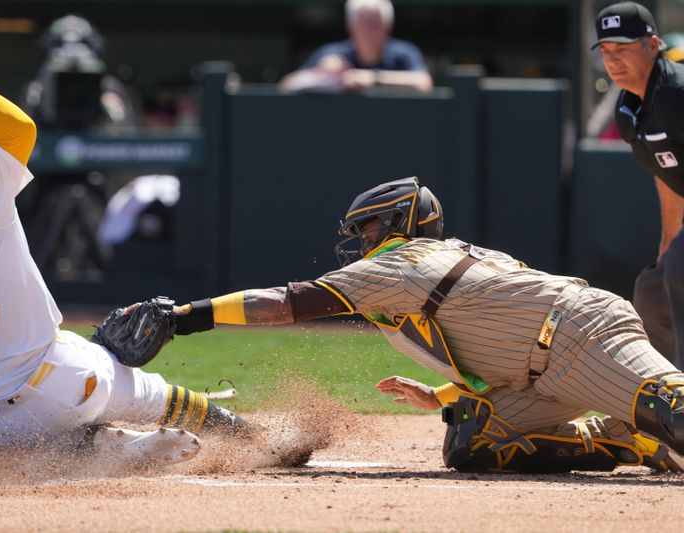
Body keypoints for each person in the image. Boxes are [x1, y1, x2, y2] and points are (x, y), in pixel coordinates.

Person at [164, 176, 684, 473]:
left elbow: (287, 301)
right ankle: (628, 439)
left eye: (369, 227)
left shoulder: (403, 260)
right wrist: (439, 396)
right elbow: (498, 342)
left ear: (399, 225)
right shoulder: (418, 276)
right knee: (473, 442)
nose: (363, 240)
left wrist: (187, 317)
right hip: (544, 370)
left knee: (676, 412)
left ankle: (656, 423)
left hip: (584, 334)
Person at [0, 55, 251, 464]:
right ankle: (256, 438)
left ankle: (100, 445)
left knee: (49, 445)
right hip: (65, 381)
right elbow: (19, 128)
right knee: (147, 390)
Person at [591, 2, 684, 371]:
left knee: (680, 268)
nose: (613, 59)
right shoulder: (629, 109)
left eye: (624, 48)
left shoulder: (677, 93)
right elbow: (668, 173)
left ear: (653, 45)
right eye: (606, 51)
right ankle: (660, 393)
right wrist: (669, 238)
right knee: (651, 291)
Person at [280, 0, 433, 93]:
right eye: (362, 22)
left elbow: (423, 83)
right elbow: (286, 85)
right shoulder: (331, 53)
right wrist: (319, 74)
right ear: (350, 25)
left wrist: (372, 78)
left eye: (374, 23)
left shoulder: (404, 53)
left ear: (387, 26)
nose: (368, 30)